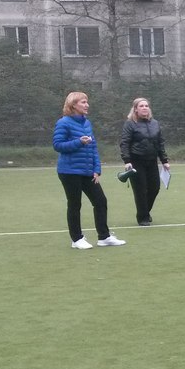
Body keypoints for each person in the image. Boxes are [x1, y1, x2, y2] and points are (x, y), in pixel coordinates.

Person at [53, 91, 125, 250]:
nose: (87, 105)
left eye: (87, 102)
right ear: (73, 105)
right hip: (69, 171)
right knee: (75, 204)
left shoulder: (86, 123)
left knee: (100, 201)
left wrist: (96, 169)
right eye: (83, 102)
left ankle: (104, 237)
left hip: (87, 171)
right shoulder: (63, 123)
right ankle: (77, 239)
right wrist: (78, 142)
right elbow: (57, 145)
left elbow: (93, 147)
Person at [119, 97, 170, 226]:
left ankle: (145, 211)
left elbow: (160, 143)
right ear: (135, 109)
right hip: (136, 161)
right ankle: (142, 218)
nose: (144, 108)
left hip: (152, 161)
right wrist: (127, 160)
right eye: (141, 106)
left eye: (146, 106)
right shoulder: (130, 124)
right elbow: (124, 143)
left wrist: (164, 160)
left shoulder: (155, 123)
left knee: (155, 188)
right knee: (140, 190)